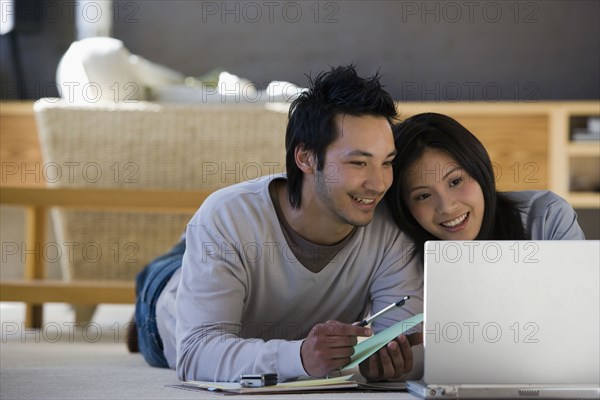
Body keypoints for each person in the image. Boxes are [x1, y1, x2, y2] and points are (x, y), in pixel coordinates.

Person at [133, 65, 424, 383]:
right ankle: (174, 266)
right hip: (168, 308)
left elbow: (401, 344)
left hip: (233, 258)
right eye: (358, 162)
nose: (379, 184)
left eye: (387, 162)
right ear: (306, 158)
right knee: (162, 277)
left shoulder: (392, 233)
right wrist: (299, 357)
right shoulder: (228, 215)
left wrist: (389, 360)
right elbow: (196, 352)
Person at [386, 112, 585, 261]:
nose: (447, 207)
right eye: (423, 196)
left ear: (480, 171)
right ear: (404, 206)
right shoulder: (397, 252)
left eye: (455, 182)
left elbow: (582, 304)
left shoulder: (546, 217)